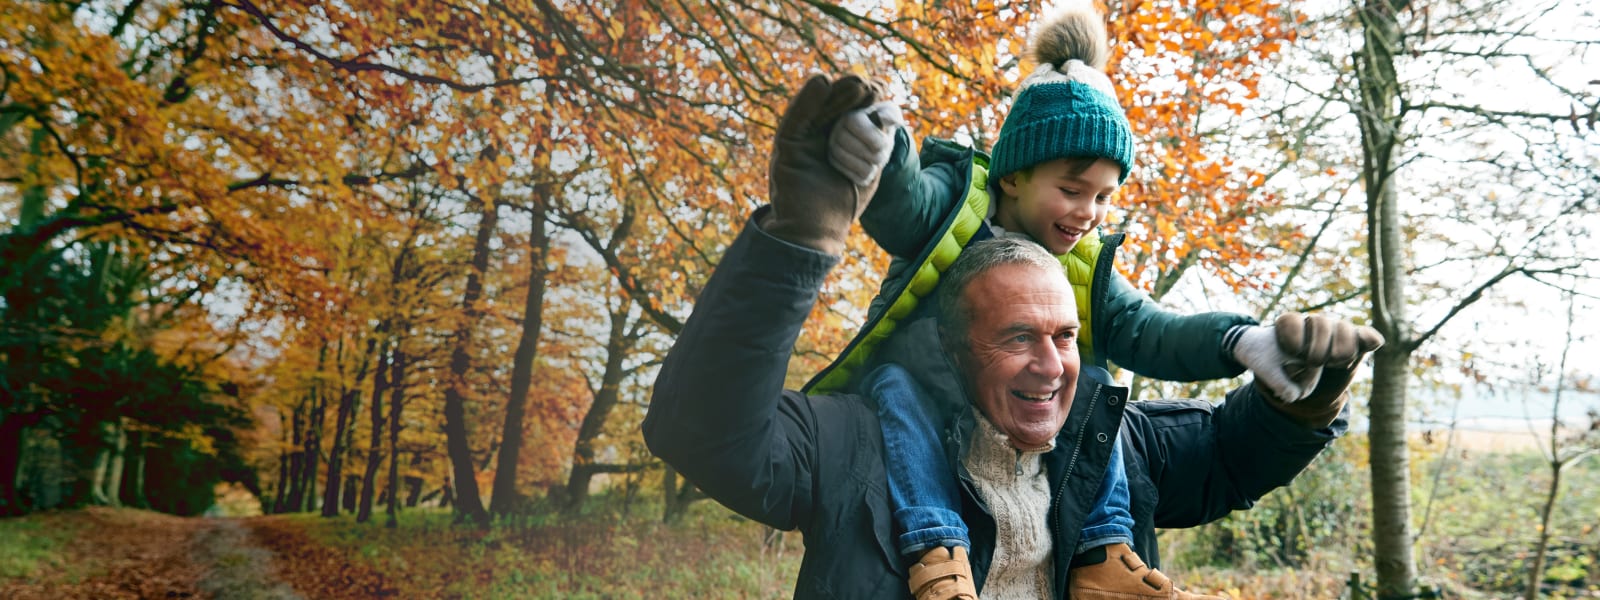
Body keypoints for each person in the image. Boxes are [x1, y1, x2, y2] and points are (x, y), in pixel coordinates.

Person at [642, 72, 1383, 599]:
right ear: (954, 346)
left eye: (1066, 335)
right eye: (1019, 335)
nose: (1054, 366)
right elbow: (705, 430)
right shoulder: (857, 448)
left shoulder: (1108, 439)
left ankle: (1105, 557)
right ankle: (937, 551)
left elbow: (1226, 449)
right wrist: (808, 229)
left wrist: (1294, 386)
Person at [814, 8, 1322, 599]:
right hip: (928, 394)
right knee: (896, 389)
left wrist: (1239, 341)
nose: (1089, 213)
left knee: (1092, 383)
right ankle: (938, 551)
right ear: (1012, 178)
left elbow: (1149, 329)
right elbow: (904, 203)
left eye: (1105, 196)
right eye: (1072, 189)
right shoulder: (953, 210)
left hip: (1021, 415)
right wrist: (887, 147)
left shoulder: (1081, 266)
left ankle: (1102, 553)